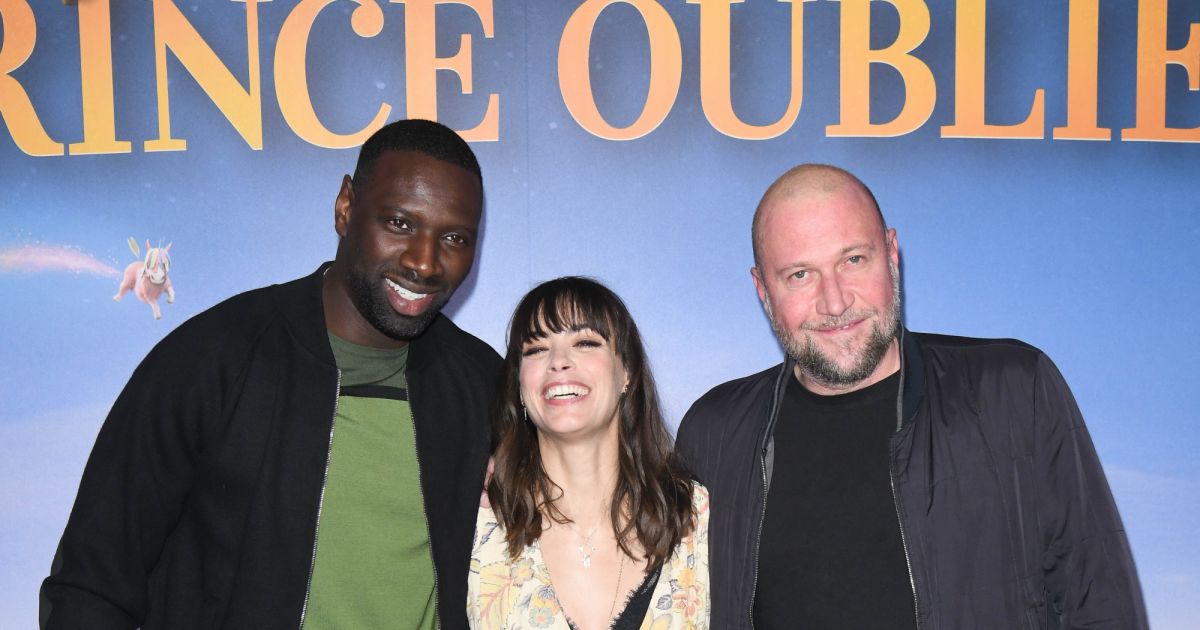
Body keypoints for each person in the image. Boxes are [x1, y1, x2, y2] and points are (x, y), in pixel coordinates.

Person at [40, 120, 501, 630]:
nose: (424, 261)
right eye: (399, 223)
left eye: (454, 237)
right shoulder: (210, 360)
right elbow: (92, 582)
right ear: (346, 206)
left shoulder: (485, 388)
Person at [675, 164, 1148, 629]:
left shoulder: (1013, 390)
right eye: (800, 275)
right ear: (762, 289)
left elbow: (1099, 598)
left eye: (853, 260)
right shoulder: (714, 433)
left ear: (891, 253)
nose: (835, 302)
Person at [468, 277, 709, 629]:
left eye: (585, 342)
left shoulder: (697, 518)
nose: (559, 362)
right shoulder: (477, 522)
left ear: (626, 372)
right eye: (535, 349)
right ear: (519, 384)